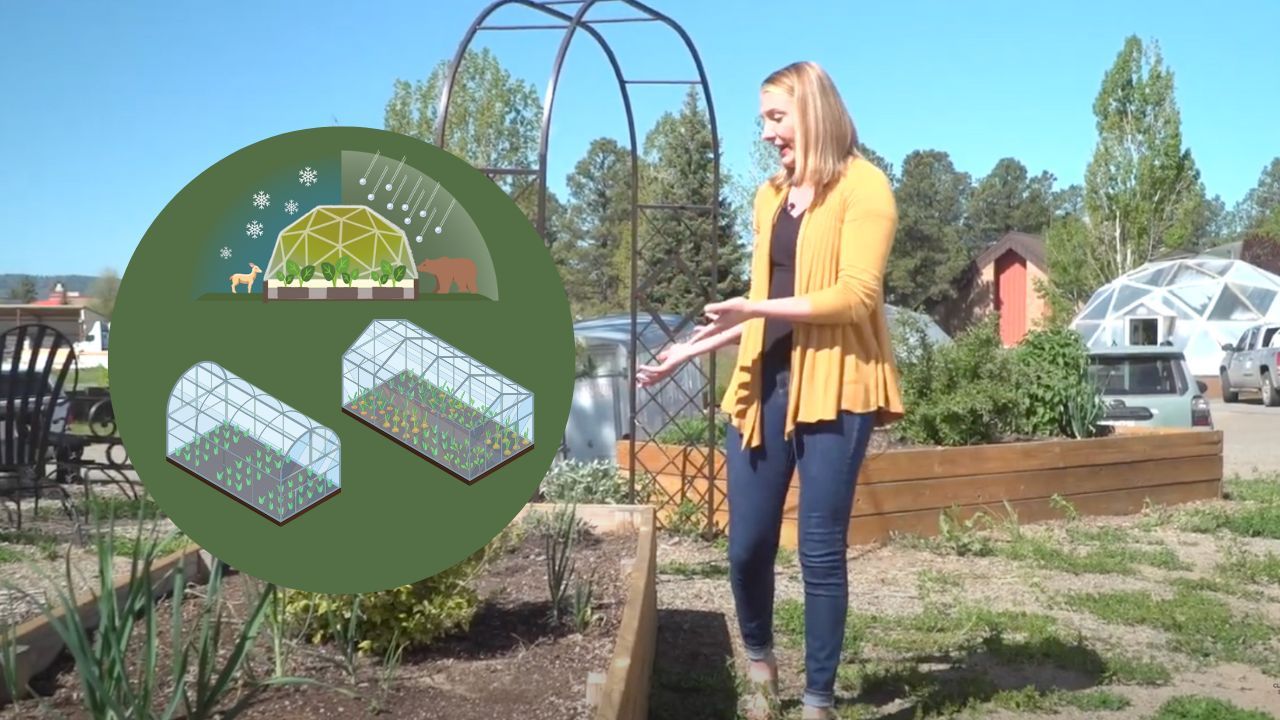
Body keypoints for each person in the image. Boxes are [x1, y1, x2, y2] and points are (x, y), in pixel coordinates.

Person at [635, 60, 904, 719]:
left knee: (819, 547)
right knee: (747, 542)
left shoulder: (866, 189)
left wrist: (753, 311)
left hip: (838, 388)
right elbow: (762, 301)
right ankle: (759, 659)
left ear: (813, 113)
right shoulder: (769, 196)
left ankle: (817, 700)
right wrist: (688, 350)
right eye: (763, 120)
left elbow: (854, 296)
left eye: (776, 118)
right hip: (763, 388)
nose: (766, 133)